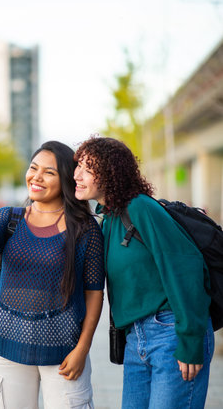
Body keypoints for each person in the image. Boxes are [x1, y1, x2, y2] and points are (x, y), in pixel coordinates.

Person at [0, 140, 105, 409]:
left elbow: (94, 292)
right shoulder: (8, 219)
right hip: (5, 347)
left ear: (66, 180)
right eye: (34, 168)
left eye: (49, 172)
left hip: (63, 352)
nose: (37, 177)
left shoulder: (85, 229)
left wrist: (83, 348)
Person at [73, 136, 214, 409]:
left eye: (88, 168)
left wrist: (191, 340)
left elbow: (185, 269)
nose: (77, 174)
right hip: (136, 340)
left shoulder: (140, 208)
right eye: (78, 165)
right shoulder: (109, 218)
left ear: (111, 172)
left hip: (171, 333)